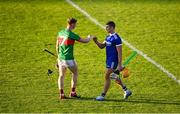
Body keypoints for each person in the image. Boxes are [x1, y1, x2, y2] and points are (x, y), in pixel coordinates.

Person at [56, 18, 95, 99]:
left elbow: (57, 46)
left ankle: (62, 94)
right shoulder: (72, 35)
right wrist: (90, 37)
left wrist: (58, 58)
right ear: (72, 24)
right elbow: (85, 41)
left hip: (60, 58)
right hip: (69, 59)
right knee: (75, 73)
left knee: (61, 75)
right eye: (76, 24)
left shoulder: (60, 32)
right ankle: (73, 92)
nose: (76, 25)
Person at [93, 21, 132, 101]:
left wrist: (120, 65)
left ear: (112, 27)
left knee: (107, 76)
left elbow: (120, 52)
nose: (106, 28)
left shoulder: (116, 38)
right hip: (108, 60)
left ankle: (103, 95)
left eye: (107, 27)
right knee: (113, 76)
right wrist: (96, 41)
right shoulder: (108, 37)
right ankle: (126, 90)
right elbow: (102, 46)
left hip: (113, 61)